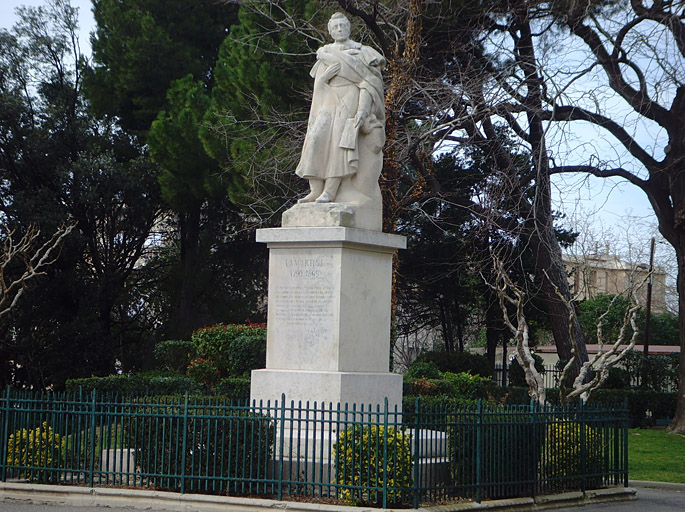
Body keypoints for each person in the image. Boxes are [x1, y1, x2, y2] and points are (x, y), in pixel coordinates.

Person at [296, 12, 386, 204]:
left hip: (350, 99)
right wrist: (323, 78)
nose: (339, 29)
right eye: (335, 27)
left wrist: (362, 111)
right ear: (330, 31)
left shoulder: (363, 52)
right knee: (315, 139)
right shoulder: (324, 54)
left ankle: (330, 191)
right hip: (328, 101)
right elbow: (318, 89)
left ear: (349, 28)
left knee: (339, 145)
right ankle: (315, 189)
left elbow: (369, 85)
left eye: (342, 26)